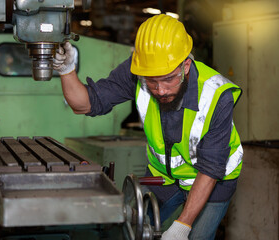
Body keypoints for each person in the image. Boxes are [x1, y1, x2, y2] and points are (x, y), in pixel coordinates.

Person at [53, 14, 243, 240]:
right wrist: (66, 70)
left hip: (213, 181)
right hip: (163, 176)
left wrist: (182, 226)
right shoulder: (138, 72)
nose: (160, 90)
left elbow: (211, 169)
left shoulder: (216, 96)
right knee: (129, 228)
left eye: (168, 79)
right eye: (152, 81)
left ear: (186, 65)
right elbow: (85, 104)